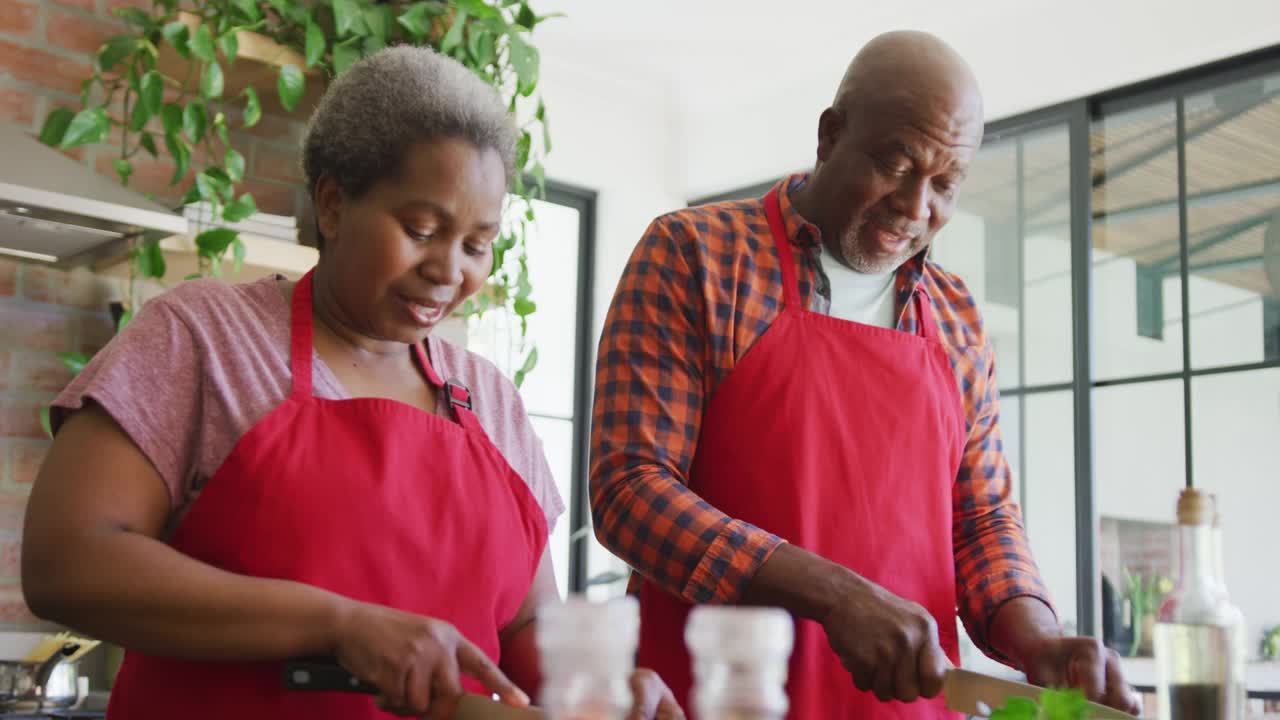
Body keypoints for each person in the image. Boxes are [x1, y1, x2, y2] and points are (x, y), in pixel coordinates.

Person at [23, 46, 680, 720]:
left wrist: (598, 686)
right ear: (333, 205)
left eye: (477, 244)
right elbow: (69, 563)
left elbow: (524, 629)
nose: (449, 269)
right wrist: (336, 624)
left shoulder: (490, 400)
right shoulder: (204, 339)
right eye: (422, 229)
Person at [590, 31, 1141, 718]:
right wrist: (835, 594)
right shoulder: (696, 256)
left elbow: (982, 521)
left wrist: (1039, 638)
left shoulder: (957, 315)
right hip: (714, 700)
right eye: (896, 163)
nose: (916, 208)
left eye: (945, 184)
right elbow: (630, 492)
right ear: (830, 136)